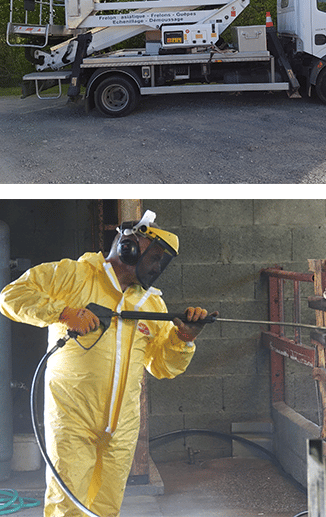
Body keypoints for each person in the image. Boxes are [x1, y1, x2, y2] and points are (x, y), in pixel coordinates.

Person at [0, 210, 216, 517]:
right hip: (73, 417)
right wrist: (63, 312)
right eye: (154, 258)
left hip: (122, 425)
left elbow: (162, 366)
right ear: (128, 248)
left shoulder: (150, 303)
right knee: (67, 505)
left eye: (161, 262)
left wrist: (184, 338)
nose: (157, 268)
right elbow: (11, 295)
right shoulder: (73, 276)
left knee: (106, 507)